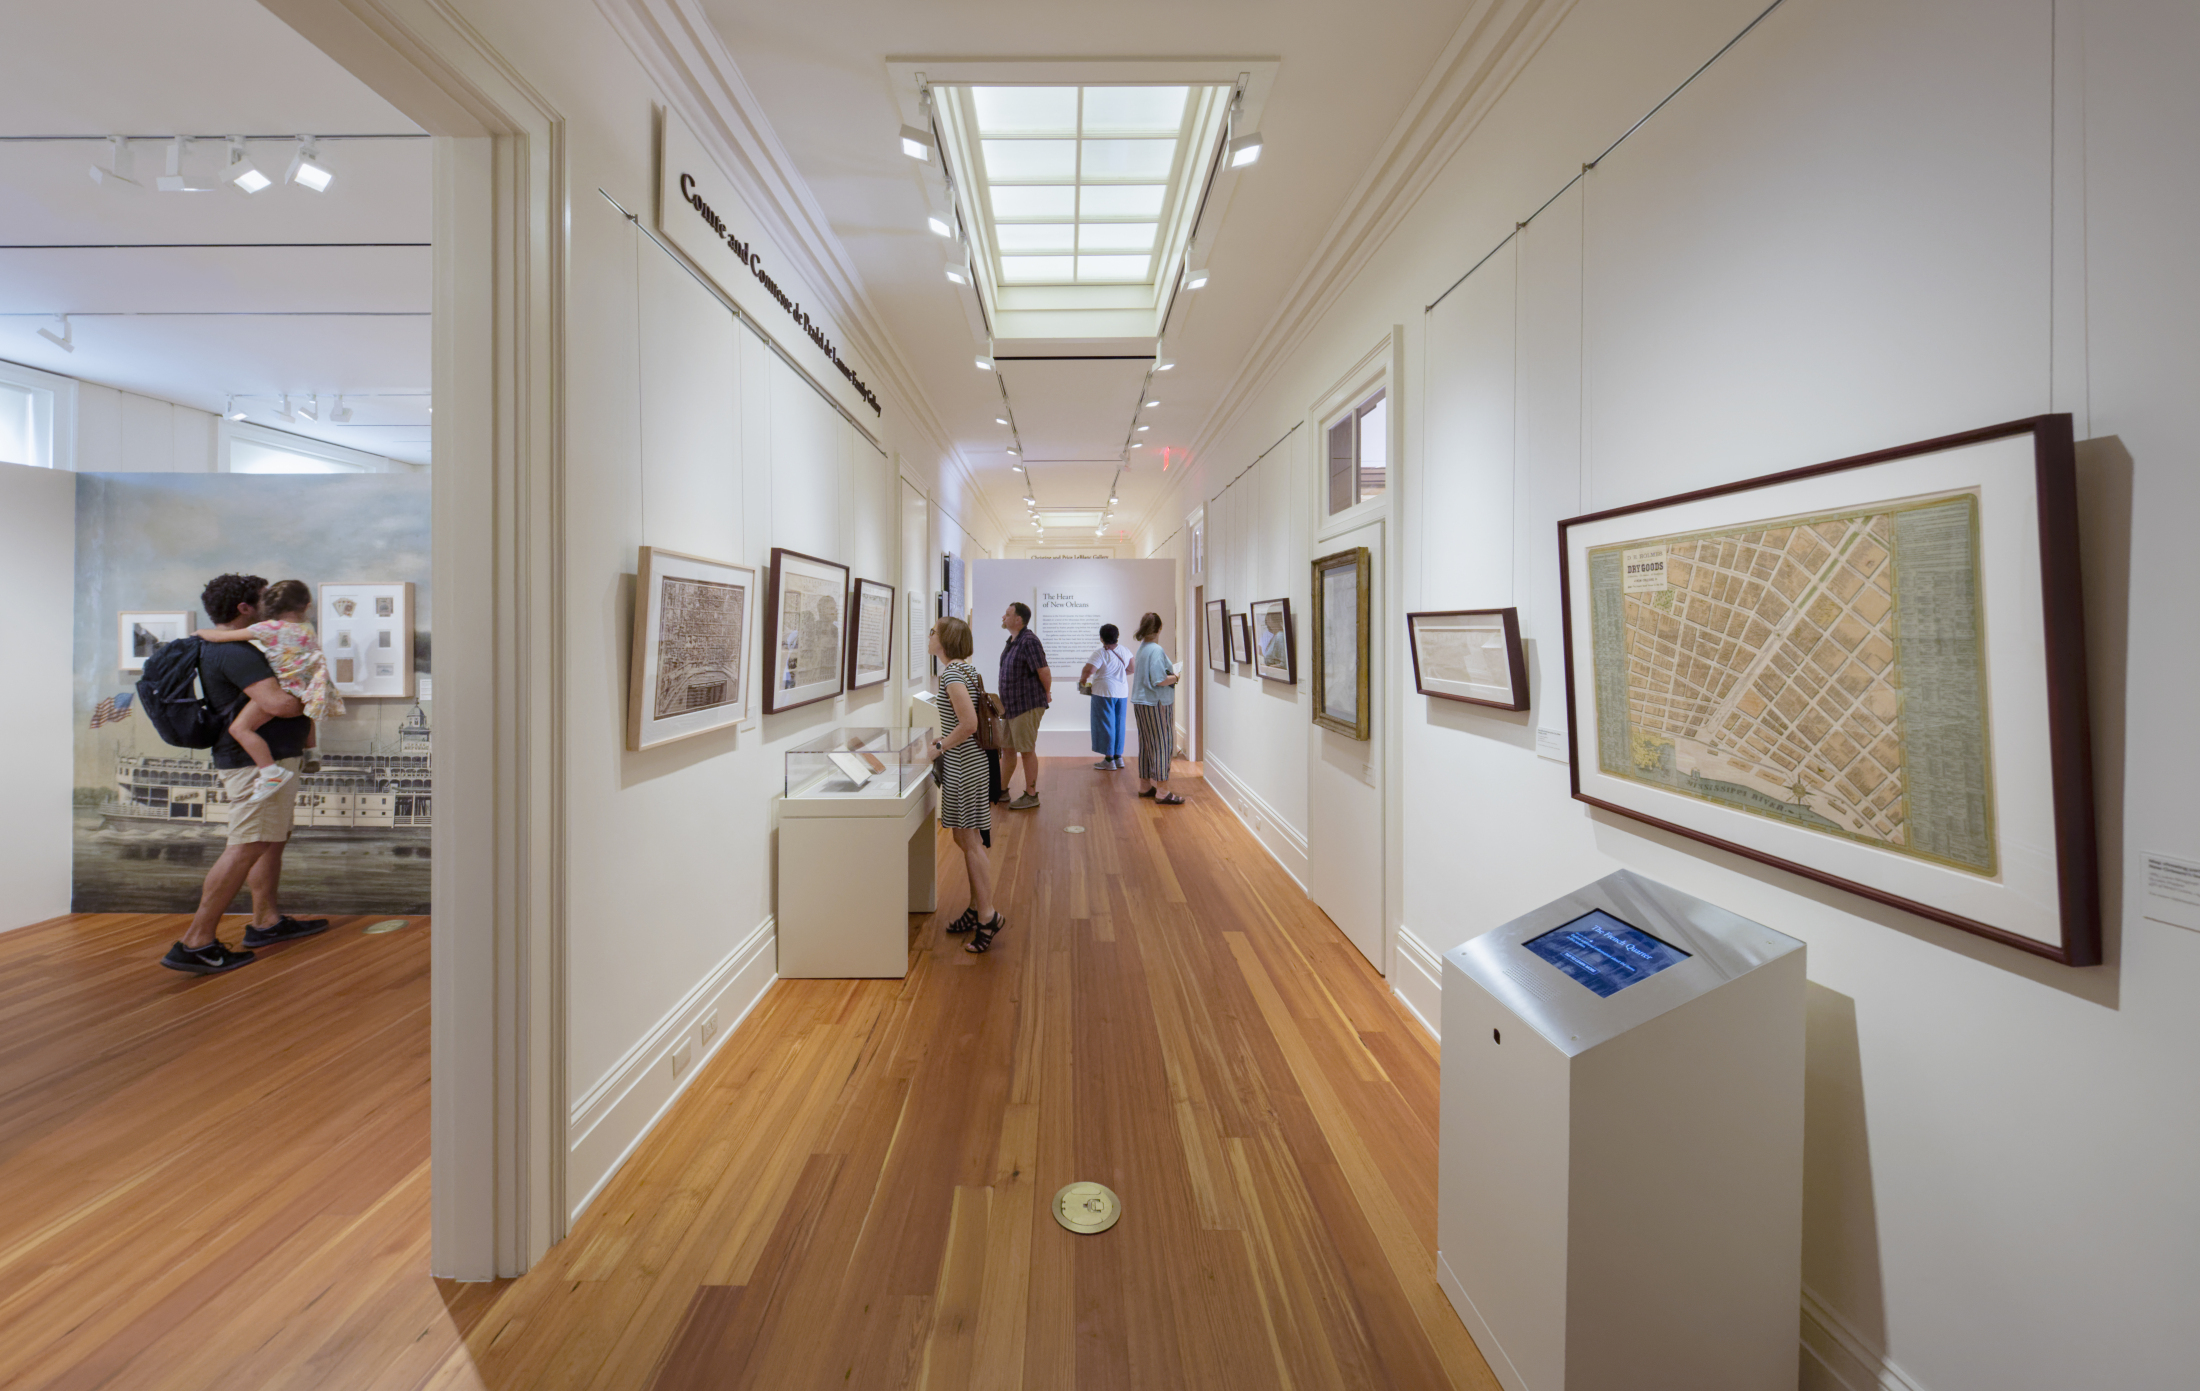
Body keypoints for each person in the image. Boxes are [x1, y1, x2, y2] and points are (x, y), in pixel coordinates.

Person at [160, 573, 332, 974]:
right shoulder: (237, 653)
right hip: (254, 766)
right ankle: (196, 940)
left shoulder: (248, 646)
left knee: (268, 840)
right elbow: (281, 705)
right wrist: (310, 688)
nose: (269, 604)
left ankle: (266, 922)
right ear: (244, 609)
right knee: (247, 844)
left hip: (268, 759)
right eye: (262, 599)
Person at [193, 578, 343, 799]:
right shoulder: (306, 628)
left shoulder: (269, 628)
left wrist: (199, 634)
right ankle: (312, 751)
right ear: (307, 606)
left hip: (288, 686)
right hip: (311, 685)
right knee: (308, 712)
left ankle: (270, 772)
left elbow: (222, 636)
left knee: (239, 729)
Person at [927, 617, 1008, 954]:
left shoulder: (951, 674)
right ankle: (977, 908)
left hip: (964, 766)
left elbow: (970, 724)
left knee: (968, 839)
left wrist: (939, 746)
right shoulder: (966, 670)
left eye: (934, 631)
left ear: (945, 640)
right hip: (971, 764)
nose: (930, 635)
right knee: (968, 838)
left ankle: (988, 915)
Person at [996, 600, 1051, 809]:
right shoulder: (1013, 640)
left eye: (1007, 614)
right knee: (1007, 749)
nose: (1003, 617)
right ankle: (1001, 790)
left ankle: (1031, 794)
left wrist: (1047, 693)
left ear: (1018, 619)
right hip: (1011, 706)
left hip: (1026, 704)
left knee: (1026, 749)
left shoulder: (1029, 641)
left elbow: (1044, 671)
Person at [1130, 611, 1184, 805]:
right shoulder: (1156, 650)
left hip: (1141, 702)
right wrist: (1176, 677)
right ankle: (1162, 791)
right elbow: (1159, 680)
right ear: (1160, 628)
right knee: (1162, 743)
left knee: (1146, 743)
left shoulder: (1142, 648)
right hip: (1156, 703)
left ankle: (1145, 785)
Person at [1081, 623, 1132, 771]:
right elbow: (1132, 668)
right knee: (1119, 724)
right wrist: (1119, 675)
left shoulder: (1100, 653)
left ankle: (1109, 759)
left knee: (1105, 724)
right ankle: (1118, 757)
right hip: (1121, 692)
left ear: (1101, 638)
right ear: (1117, 636)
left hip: (1103, 692)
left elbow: (1090, 669)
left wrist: (1083, 681)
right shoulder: (1125, 650)